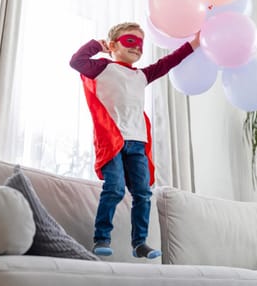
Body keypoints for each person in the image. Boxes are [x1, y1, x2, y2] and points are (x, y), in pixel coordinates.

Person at [69, 22, 199, 259]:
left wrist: (194, 44)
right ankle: (101, 238)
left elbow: (168, 62)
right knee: (115, 189)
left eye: (140, 44)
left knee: (142, 193)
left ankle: (139, 242)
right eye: (130, 41)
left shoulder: (142, 75)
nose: (137, 47)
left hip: (137, 143)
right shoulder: (102, 68)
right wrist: (98, 45)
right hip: (113, 141)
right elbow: (76, 62)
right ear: (113, 45)